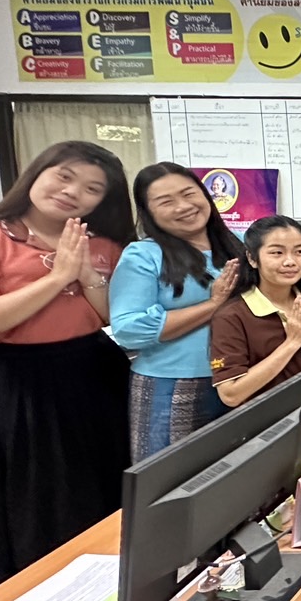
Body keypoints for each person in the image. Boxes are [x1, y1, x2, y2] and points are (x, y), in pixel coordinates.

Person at [0, 141, 134, 587]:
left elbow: (109, 316)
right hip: (14, 383)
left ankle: (104, 586)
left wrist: (86, 276)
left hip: (93, 373)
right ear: (36, 173)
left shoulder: (101, 244)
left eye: (92, 188)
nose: (73, 191)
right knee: (27, 500)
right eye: (64, 175)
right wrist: (58, 277)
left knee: (97, 489)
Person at [111, 162, 242, 462]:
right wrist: (212, 305)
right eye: (165, 201)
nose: (183, 206)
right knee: (169, 483)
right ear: (149, 212)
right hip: (172, 386)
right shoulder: (144, 255)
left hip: (240, 378)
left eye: (188, 193)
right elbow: (128, 329)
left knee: (239, 481)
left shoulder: (239, 243)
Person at [210, 215, 301, 463]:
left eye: (299, 251)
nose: (290, 261)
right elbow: (230, 394)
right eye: (276, 252)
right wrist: (291, 343)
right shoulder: (232, 316)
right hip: (267, 447)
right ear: (252, 258)